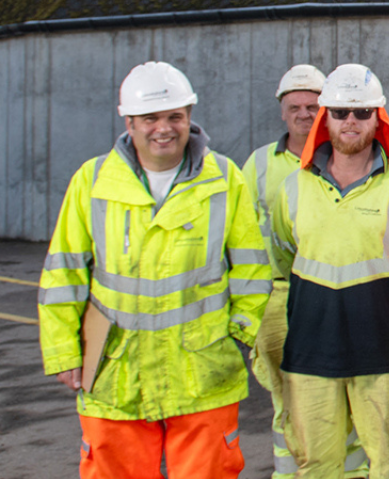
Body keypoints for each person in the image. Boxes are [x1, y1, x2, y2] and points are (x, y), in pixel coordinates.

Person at [38, 61, 273, 479]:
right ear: (128, 121)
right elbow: (64, 273)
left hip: (202, 370)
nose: (163, 128)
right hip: (115, 369)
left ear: (189, 117)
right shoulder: (92, 182)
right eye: (150, 118)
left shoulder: (224, 179)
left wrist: (241, 330)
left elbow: (252, 267)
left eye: (174, 117)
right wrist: (63, 351)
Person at [267, 64, 389, 479]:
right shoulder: (293, 189)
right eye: (341, 112)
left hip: (387, 355)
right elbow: (283, 258)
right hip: (311, 355)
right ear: (324, 118)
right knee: (318, 469)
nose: (351, 121)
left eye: (362, 112)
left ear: (378, 119)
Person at [243, 64, 370, 479]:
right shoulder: (258, 165)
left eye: (312, 106)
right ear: (282, 111)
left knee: (340, 399)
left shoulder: (345, 162)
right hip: (276, 298)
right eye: (294, 106)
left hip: (333, 298)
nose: (303, 113)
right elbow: (242, 237)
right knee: (286, 401)